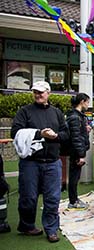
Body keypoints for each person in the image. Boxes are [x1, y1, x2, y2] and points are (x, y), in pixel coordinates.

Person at [11, 81, 69, 243]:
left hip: (52, 162)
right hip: (30, 162)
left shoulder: (57, 113)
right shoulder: (24, 112)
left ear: (48, 93)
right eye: (35, 92)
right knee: (28, 197)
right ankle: (27, 225)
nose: (38, 94)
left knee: (52, 198)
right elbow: (15, 132)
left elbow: (65, 134)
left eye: (41, 92)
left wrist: (56, 136)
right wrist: (39, 134)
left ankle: (51, 230)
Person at [65, 93, 91, 210]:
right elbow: (76, 137)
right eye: (87, 102)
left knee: (75, 176)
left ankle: (74, 199)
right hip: (76, 151)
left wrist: (85, 130)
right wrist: (81, 154)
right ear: (82, 101)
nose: (88, 105)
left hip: (76, 150)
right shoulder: (75, 117)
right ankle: (73, 200)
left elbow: (78, 134)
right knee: (74, 177)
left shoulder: (77, 116)